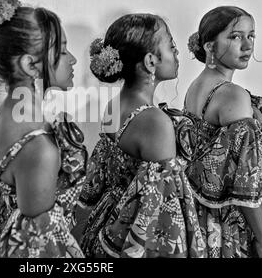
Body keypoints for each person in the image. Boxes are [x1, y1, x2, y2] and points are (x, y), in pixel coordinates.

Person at [0, 0, 87, 258]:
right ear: (31, 65)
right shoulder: (38, 146)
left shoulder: (4, 114)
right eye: (63, 50)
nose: (73, 59)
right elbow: (39, 248)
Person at [76, 13, 205, 258]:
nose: (177, 53)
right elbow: (161, 219)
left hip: (104, 224)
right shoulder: (154, 122)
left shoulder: (115, 104)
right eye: (171, 46)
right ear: (150, 61)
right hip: (129, 239)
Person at [183, 6, 262, 258]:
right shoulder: (231, 95)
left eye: (251, 36)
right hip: (223, 224)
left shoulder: (196, 87)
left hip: (193, 215)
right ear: (210, 47)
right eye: (235, 36)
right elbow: (244, 185)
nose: (247, 45)